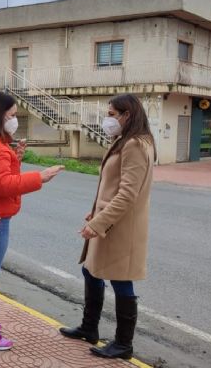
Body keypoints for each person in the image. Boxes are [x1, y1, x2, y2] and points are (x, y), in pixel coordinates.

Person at [0, 91, 64, 351]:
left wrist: (13, 159)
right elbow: (2, 185)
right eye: (13, 115)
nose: (15, 120)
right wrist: (40, 177)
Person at [59, 94, 156, 360]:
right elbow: (112, 186)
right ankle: (90, 328)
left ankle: (124, 344)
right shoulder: (124, 140)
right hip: (109, 221)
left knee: (121, 281)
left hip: (121, 228)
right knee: (91, 271)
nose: (107, 119)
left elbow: (127, 194)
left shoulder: (135, 145)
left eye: (112, 114)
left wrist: (99, 222)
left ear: (128, 115)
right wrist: (96, 212)